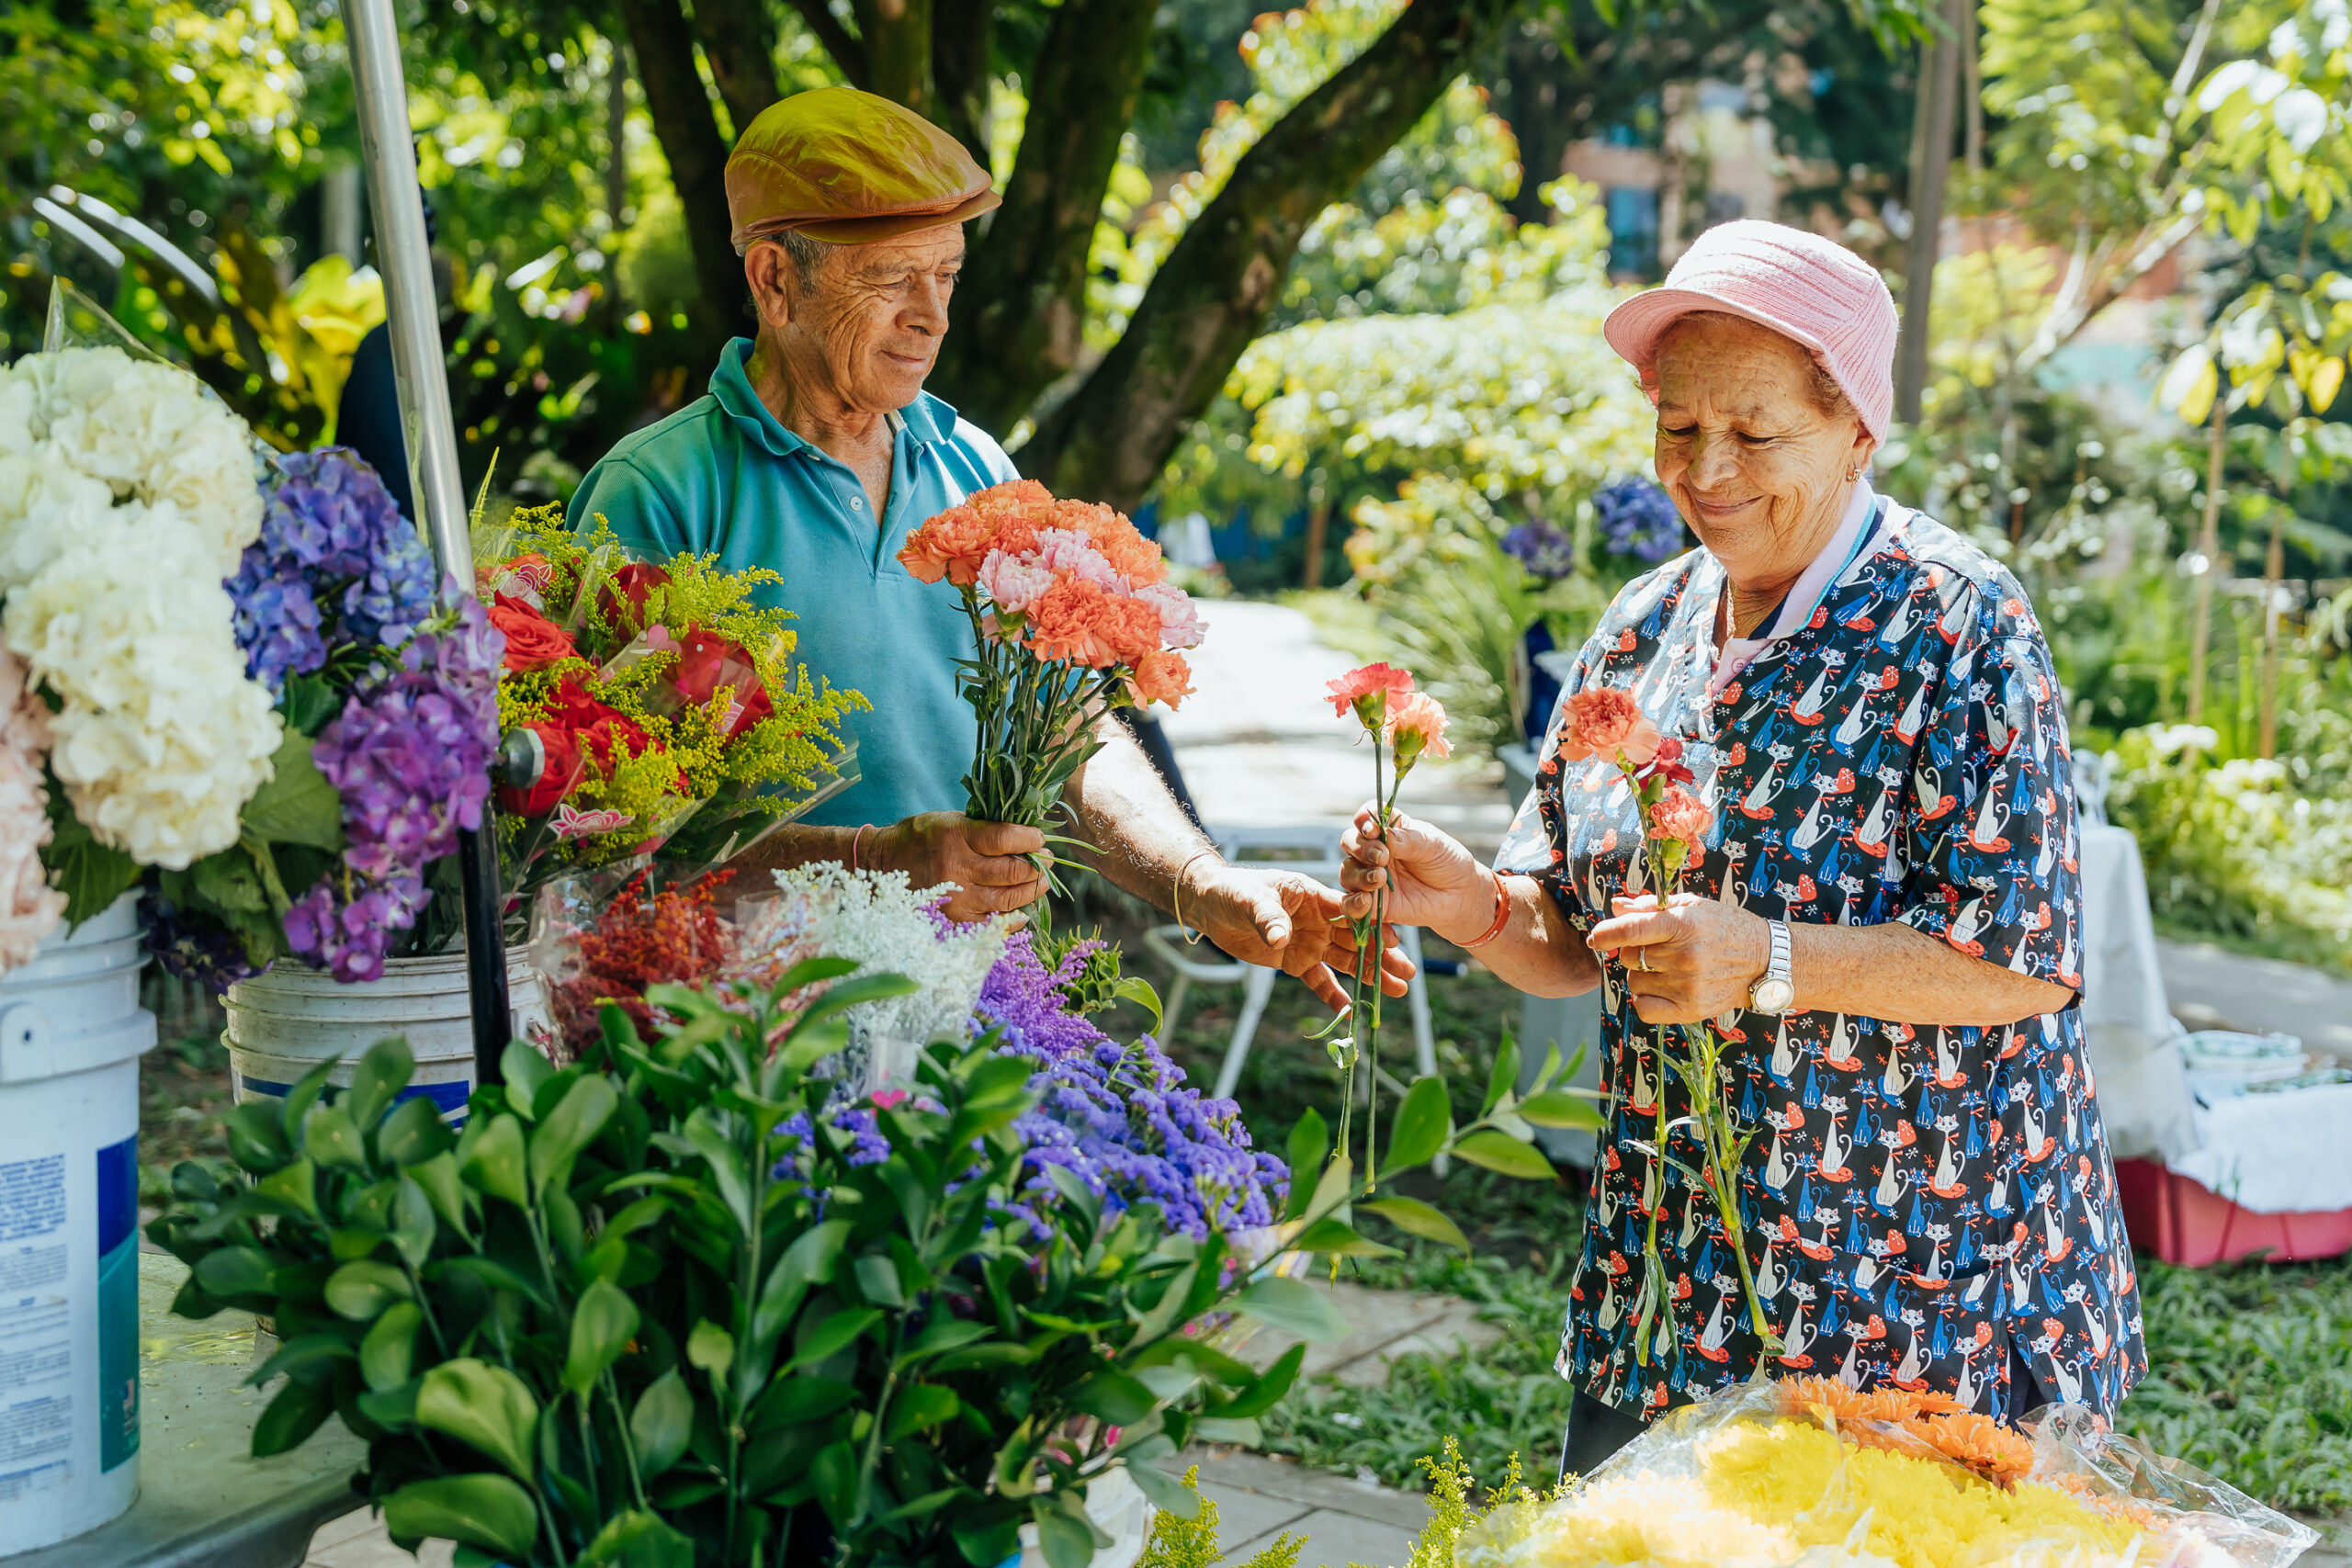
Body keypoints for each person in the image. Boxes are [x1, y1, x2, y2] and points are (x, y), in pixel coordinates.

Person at [1338, 220, 2143, 1472]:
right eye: (1677, 425)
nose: (1705, 466)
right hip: (1671, 1277)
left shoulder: (1957, 619)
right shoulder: (1641, 625)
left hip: (1920, 1288)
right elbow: (1577, 937)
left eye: (1755, 432)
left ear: (1856, 430)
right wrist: (1471, 906)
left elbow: (2021, 958)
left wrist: (1764, 957)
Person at [567, 86, 1385, 1006]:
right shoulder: (656, 495)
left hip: (964, 1014)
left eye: (946, 275)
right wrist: (874, 863)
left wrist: (1203, 883)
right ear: (774, 279)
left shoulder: (973, 468)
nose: (932, 316)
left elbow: (1070, 731)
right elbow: (605, 837)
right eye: (891, 278)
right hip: (729, 1044)